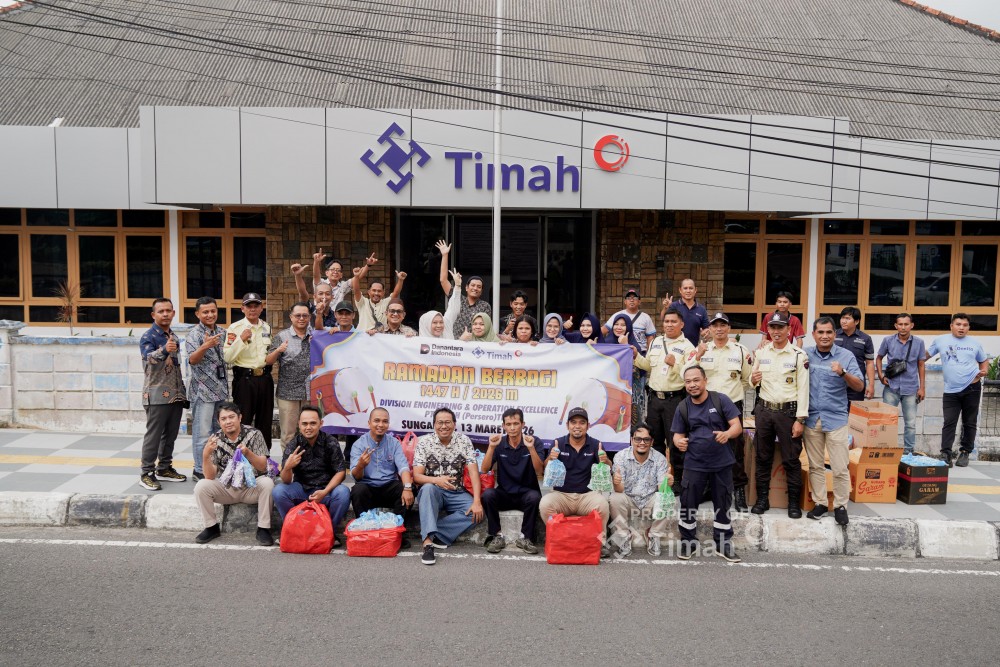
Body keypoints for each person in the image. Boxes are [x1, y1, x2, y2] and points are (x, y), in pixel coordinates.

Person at [672, 366, 743, 561]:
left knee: (723, 504)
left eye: (696, 380)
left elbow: (737, 426)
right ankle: (687, 542)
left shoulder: (721, 400)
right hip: (694, 464)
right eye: (688, 382)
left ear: (705, 381)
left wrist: (727, 434)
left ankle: (723, 544)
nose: (692, 385)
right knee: (688, 504)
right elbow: (677, 434)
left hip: (721, 463)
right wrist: (679, 442)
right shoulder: (683, 407)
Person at [803, 317, 864, 526]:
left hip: (836, 418)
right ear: (814, 334)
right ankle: (820, 503)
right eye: (820, 332)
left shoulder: (845, 357)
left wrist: (843, 372)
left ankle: (840, 506)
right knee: (815, 466)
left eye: (829, 332)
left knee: (839, 467)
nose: (825, 336)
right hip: (811, 419)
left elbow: (859, 386)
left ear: (834, 334)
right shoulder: (806, 355)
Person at [750, 311, 809, 518]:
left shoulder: (798, 356)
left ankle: (793, 503)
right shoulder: (762, 353)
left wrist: (800, 419)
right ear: (768, 330)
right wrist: (753, 380)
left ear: (789, 329)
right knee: (762, 457)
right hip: (765, 410)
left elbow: (803, 389)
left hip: (788, 412)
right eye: (773, 327)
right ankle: (762, 499)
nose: (776, 331)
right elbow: (752, 381)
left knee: (791, 458)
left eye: (780, 327)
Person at [693, 312, 753, 511]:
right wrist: (698, 355)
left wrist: (731, 397)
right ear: (709, 329)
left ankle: (739, 491)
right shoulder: (702, 349)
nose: (719, 329)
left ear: (729, 328)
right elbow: (690, 374)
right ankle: (709, 488)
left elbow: (746, 379)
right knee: (706, 446)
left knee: (735, 449)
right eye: (715, 325)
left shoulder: (740, 351)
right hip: (705, 405)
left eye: (723, 325)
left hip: (731, 406)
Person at [634, 308, 697, 494]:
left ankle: (678, 481)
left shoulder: (688, 347)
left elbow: (690, 374)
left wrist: (675, 364)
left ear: (682, 324)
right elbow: (647, 366)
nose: (669, 325)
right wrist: (635, 356)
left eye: (673, 322)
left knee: (675, 442)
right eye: (667, 321)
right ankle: (659, 478)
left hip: (675, 400)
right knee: (656, 441)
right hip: (654, 400)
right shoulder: (656, 342)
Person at [193, 402, 274, 546]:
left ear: (240, 417)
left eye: (231, 417)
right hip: (227, 489)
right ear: (218, 422)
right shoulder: (215, 439)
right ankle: (211, 527)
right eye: (223, 419)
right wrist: (205, 455)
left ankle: (263, 528)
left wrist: (248, 453)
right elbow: (210, 476)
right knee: (201, 486)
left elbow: (263, 467)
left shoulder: (254, 434)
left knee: (267, 483)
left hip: (251, 487)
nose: (228, 422)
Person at [412, 407, 483, 565]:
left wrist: (477, 500)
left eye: (447, 422)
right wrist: (437, 480)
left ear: (454, 424)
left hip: (457, 492)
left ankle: (436, 531)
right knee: (428, 488)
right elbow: (417, 476)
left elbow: (473, 472)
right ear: (434, 425)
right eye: (440, 423)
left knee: (476, 513)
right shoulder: (424, 442)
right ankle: (428, 544)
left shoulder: (464, 441)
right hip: (433, 490)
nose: (443, 426)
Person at [272, 405, 351, 546]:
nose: (308, 427)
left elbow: (341, 472)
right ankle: (294, 530)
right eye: (305, 424)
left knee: (343, 492)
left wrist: (325, 491)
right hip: (301, 490)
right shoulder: (293, 444)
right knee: (278, 491)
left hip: (325, 490)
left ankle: (328, 532)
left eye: (313, 423)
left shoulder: (330, 442)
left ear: (321, 423)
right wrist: (288, 467)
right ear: (299, 425)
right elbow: (286, 480)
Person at [539, 407, 612, 556]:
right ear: (567, 425)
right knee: (545, 504)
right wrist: (550, 458)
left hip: (587, 496)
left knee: (603, 505)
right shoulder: (558, 443)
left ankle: (599, 543)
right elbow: (544, 468)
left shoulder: (595, 444)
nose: (577, 426)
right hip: (562, 495)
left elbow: (608, 467)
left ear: (588, 425)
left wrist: (606, 461)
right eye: (573, 422)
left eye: (582, 422)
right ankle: (557, 539)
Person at [138, 298, 188, 490]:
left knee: (171, 435)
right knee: (154, 436)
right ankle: (146, 473)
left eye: (168, 310)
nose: (165, 314)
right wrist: (164, 350)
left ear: (173, 313)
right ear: (153, 315)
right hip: (156, 394)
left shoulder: (173, 335)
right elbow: (149, 359)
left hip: (175, 394)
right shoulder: (148, 336)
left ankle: (164, 468)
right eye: (161, 311)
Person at [928, 313, 989, 467]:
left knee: (969, 422)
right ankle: (946, 454)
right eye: (958, 324)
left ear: (968, 327)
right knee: (949, 422)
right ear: (951, 326)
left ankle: (965, 452)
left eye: (965, 325)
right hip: (950, 390)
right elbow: (924, 355)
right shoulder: (941, 340)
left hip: (972, 388)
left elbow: (984, 360)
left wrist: (984, 371)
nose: (961, 328)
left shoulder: (974, 343)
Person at [480, 408, 544, 554]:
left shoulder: (534, 442)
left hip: (527, 494)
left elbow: (539, 470)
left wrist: (531, 448)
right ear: (503, 426)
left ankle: (525, 538)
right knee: (488, 495)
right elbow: (484, 469)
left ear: (523, 424)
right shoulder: (499, 443)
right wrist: (491, 447)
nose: (512, 427)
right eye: (508, 424)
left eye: (516, 423)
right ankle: (497, 535)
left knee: (534, 497)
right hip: (505, 493)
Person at [349, 407, 414, 549]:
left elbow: (403, 468)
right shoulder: (359, 444)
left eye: (385, 421)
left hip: (388, 486)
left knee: (405, 488)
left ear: (388, 424)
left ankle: (396, 534)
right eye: (376, 421)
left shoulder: (394, 443)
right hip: (368, 487)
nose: (380, 424)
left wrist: (408, 488)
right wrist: (360, 465)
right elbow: (356, 477)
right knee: (357, 490)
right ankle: (364, 532)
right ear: (369, 423)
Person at [609, 423, 672, 558]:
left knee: (667, 498)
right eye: (638, 439)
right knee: (614, 498)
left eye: (646, 439)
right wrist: (617, 482)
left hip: (650, 501)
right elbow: (619, 490)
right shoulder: (620, 457)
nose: (642, 443)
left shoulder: (659, 459)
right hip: (629, 501)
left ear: (652, 441)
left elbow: (661, 489)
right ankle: (625, 537)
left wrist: (668, 483)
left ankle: (653, 536)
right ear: (632, 440)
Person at [184, 296, 228, 481]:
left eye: (213, 311)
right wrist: (205, 346)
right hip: (203, 392)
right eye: (205, 312)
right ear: (197, 314)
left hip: (220, 389)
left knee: (219, 431)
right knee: (202, 433)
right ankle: (198, 469)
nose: (210, 315)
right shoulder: (193, 334)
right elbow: (192, 360)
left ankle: (215, 466)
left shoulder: (222, 331)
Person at [223, 292, 275, 450]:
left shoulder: (266, 327)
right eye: (249, 306)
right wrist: (241, 340)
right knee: (243, 420)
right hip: (245, 380)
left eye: (256, 306)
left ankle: (263, 460)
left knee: (265, 421)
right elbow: (228, 357)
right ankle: (241, 459)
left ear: (261, 308)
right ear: (242, 309)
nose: (252, 309)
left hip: (265, 378)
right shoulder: (235, 328)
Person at [876, 313, 927, 455]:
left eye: (906, 324)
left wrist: (922, 387)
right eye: (900, 324)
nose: (903, 327)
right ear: (896, 326)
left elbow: (921, 365)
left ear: (912, 325)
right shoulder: (888, 340)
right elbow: (878, 358)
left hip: (911, 388)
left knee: (910, 424)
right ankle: (887, 449)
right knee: (888, 422)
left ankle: (908, 452)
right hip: (891, 386)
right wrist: (880, 375)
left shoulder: (919, 342)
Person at [266, 302, 313, 448]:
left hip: (310, 392)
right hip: (288, 393)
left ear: (309, 317)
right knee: (288, 434)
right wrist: (278, 350)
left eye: (304, 315)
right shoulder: (282, 336)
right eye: (297, 315)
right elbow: (268, 361)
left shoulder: (316, 335)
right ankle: (289, 467)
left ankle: (309, 466)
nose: (301, 318)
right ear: (291, 317)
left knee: (310, 432)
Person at [436, 240, 491, 338]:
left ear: (482, 291)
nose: (475, 288)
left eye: (479, 287)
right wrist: (445, 255)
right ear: (466, 288)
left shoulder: (485, 306)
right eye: (473, 285)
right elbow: (443, 280)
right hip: (452, 345)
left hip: (472, 346)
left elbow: (485, 329)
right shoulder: (457, 298)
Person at [352, 252, 405, 332]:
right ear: (369, 292)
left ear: (383, 293)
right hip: (362, 339)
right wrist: (356, 276)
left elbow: (396, 293)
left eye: (379, 291)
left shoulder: (386, 303)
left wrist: (400, 280)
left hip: (380, 340)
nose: (376, 293)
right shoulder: (363, 302)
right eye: (374, 290)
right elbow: (356, 291)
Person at [834, 307, 875, 402]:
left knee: (854, 415)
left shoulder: (865, 338)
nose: (843, 321)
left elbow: (869, 363)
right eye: (842, 318)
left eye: (847, 318)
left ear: (856, 321)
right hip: (835, 382)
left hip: (856, 383)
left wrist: (871, 385)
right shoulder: (833, 335)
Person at [602, 288, 656, 352]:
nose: (631, 300)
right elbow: (603, 330)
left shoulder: (646, 317)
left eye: (634, 298)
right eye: (629, 298)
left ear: (639, 301)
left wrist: (650, 353)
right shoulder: (617, 315)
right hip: (621, 352)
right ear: (625, 301)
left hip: (640, 353)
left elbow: (650, 337)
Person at [661, 279, 709, 347]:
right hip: (673, 347)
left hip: (692, 348)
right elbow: (663, 319)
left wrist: (706, 332)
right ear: (680, 290)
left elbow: (706, 328)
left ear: (695, 290)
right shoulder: (674, 306)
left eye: (691, 288)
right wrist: (666, 308)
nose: (688, 291)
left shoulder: (701, 309)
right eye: (685, 288)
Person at [418, 269, 463, 338]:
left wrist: (457, 286)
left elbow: (453, 308)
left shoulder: (446, 326)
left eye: (441, 322)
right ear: (427, 324)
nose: (439, 326)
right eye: (435, 322)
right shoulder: (417, 344)